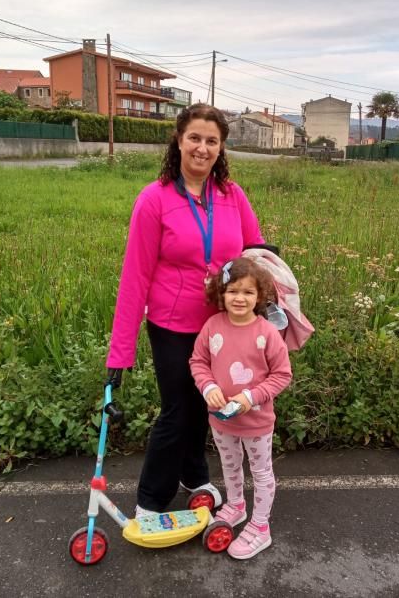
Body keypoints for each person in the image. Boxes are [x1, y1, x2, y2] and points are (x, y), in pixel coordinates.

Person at [105, 103, 264, 519]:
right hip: (172, 325)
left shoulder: (233, 196)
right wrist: (119, 355)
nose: (202, 147)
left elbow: (254, 257)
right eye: (194, 137)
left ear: (221, 148)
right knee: (178, 409)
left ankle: (194, 477)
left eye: (212, 140)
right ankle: (150, 501)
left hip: (222, 326)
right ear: (178, 141)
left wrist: (265, 310)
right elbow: (134, 278)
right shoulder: (154, 199)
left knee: (205, 404)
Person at [189, 257, 293, 559]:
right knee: (230, 465)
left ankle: (261, 526)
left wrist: (252, 396)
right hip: (221, 421)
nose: (240, 298)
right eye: (233, 291)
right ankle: (235, 506)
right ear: (221, 293)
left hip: (257, 422)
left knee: (261, 472)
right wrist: (208, 387)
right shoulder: (212, 326)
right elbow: (198, 362)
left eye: (248, 292)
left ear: (259, 296)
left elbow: (282, 374)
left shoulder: (267, 333)